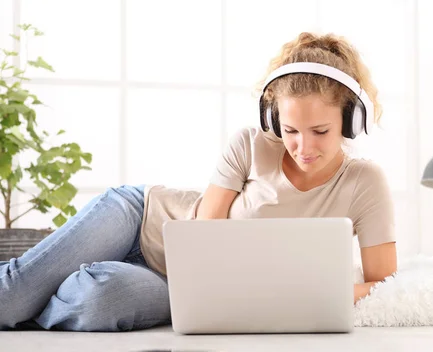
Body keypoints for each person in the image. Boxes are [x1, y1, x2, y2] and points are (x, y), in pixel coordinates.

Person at [0, 32, 397, 332]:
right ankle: (33, 290)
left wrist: (319, 295)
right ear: (275, 120)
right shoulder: (250, 143)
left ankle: (57, 285)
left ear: (350, 121)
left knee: (98, 299)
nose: (302, 147)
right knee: (12, 297)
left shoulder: (365, 182)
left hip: (190, 285)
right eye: (290, 130)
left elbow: (384, 285)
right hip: (142, 219)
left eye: (321, 131)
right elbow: (204, 242)